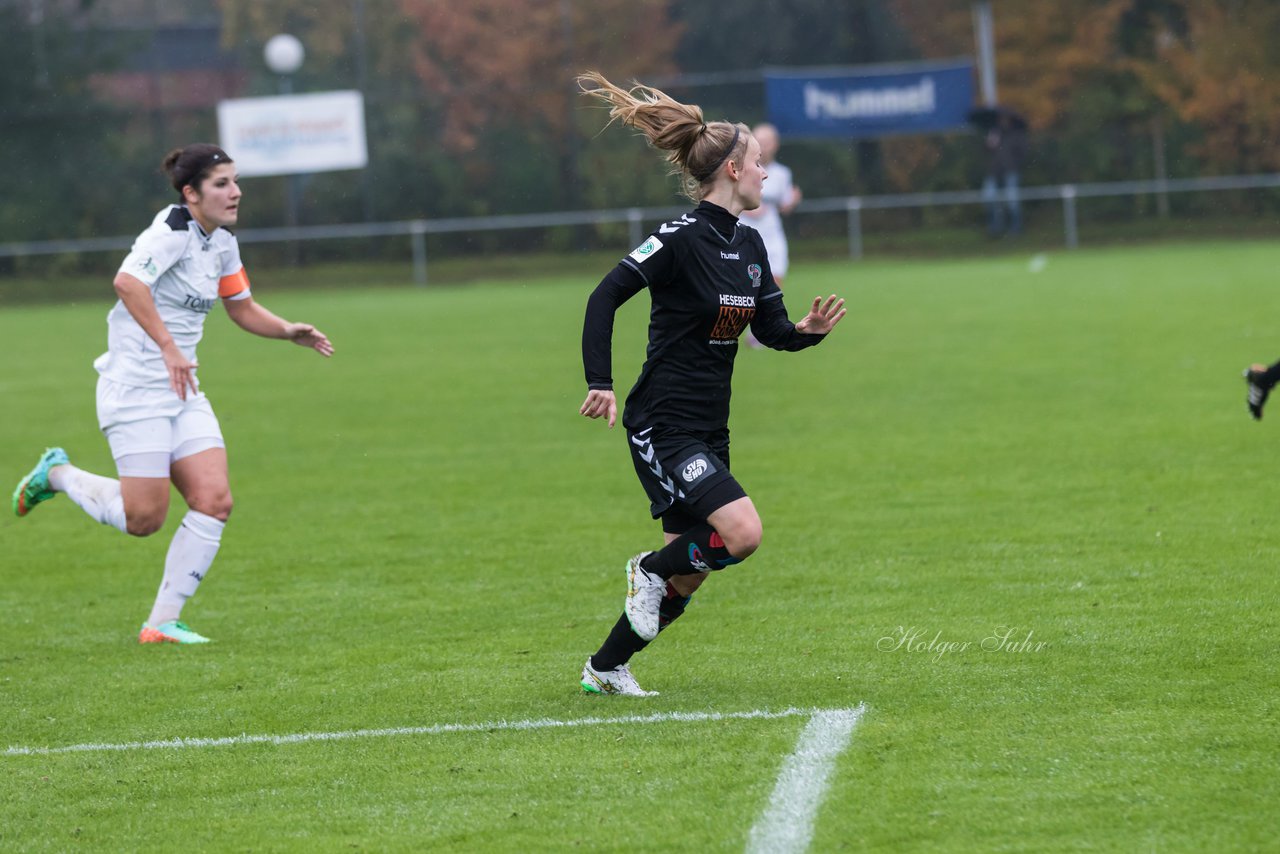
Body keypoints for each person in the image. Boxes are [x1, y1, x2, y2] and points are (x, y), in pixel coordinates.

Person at [575, 72, 847, 696]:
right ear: (731, 169)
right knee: (741, 534)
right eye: (758, 164)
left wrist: (808, 330)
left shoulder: (750, 245)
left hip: (708, 427)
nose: (766, 175)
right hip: (663, 422)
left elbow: (774, 331)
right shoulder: (676, 239)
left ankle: (605, 668)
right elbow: (604, 296)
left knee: (688, 575)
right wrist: (602, 382)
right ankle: (644, 570)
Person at [11, 143, 334, 645]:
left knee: (214, 499)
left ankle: (161, 623)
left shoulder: (222, 242)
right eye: (222, 183)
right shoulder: (170, 231)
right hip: (135, 391)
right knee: (144, 520)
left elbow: (241, 306)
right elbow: (127, 283)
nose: (236, 192)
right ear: (192, 192)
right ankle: (57, 474)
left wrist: (286, 329)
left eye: (235, 181)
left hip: (182, 390)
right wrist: (168, 347)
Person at [740, 123, 802, 289]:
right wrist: (748, 208)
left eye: (766, 142)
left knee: (775, 280)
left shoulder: (783, 174)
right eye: (759, 141)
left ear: (775, 144)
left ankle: (770, 313)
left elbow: (784, 207)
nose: (763, 146)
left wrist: (793, 201)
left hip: (771, 232)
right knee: (748, 281)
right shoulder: (741, 169)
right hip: (746, 230)